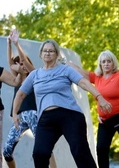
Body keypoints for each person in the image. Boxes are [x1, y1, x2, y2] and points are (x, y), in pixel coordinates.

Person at [11, 39, 112, 168]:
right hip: (46, 120)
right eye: (45, 51)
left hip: (70, 116)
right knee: (39, 153)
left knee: (79, 151)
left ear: (57, 54)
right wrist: (14, 113)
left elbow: (83, 82)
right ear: (41, 54)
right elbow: (20, 94)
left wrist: (99, 97)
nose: (48, 53)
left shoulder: (65, 70)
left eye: (51, 51)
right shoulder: (34, 75)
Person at [67, 50, 119, 168]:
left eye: (109, 61)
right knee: (101, 149)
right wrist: (67, 62)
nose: (106, 64)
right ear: (100, 64)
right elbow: (80, 71)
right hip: (105, 122)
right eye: (103, 62)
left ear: (113, 64)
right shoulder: (96, 78)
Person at [4, 29, 57, 168]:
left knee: (45, 147)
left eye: (24, 63)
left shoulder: (34, 76)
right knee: (7, 151)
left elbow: (24, 64)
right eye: (20, 64)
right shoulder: (17, 79)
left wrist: (17, 44)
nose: (22, 66)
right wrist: (8, 44)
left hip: (34, 114)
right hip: (19, 118)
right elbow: (10, 63)